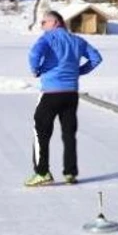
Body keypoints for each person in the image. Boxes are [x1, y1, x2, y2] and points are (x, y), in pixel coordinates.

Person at [25, 10, 103, 187]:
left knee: (40, 131)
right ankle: (70, 173)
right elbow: (96, 58)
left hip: (51, 93)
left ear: (55, 23)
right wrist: (78, 72)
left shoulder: (47, 39)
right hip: (71, 94)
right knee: (69, 134)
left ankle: (42, 172)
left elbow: (34, 54)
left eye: (44, 22)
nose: (42, 26)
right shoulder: (77, 40)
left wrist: (36, 69)